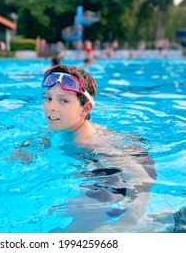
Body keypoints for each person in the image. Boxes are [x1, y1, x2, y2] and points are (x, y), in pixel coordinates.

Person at [42, 64, 156, 232]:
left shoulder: (88, 142)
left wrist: (129, 220)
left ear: (85, 109)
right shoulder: (64, 125)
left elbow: (142, 178)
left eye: (64, 100)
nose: (51, 106)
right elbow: (44, 137)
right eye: (48, 98)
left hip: (127, 167)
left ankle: (146, 222)